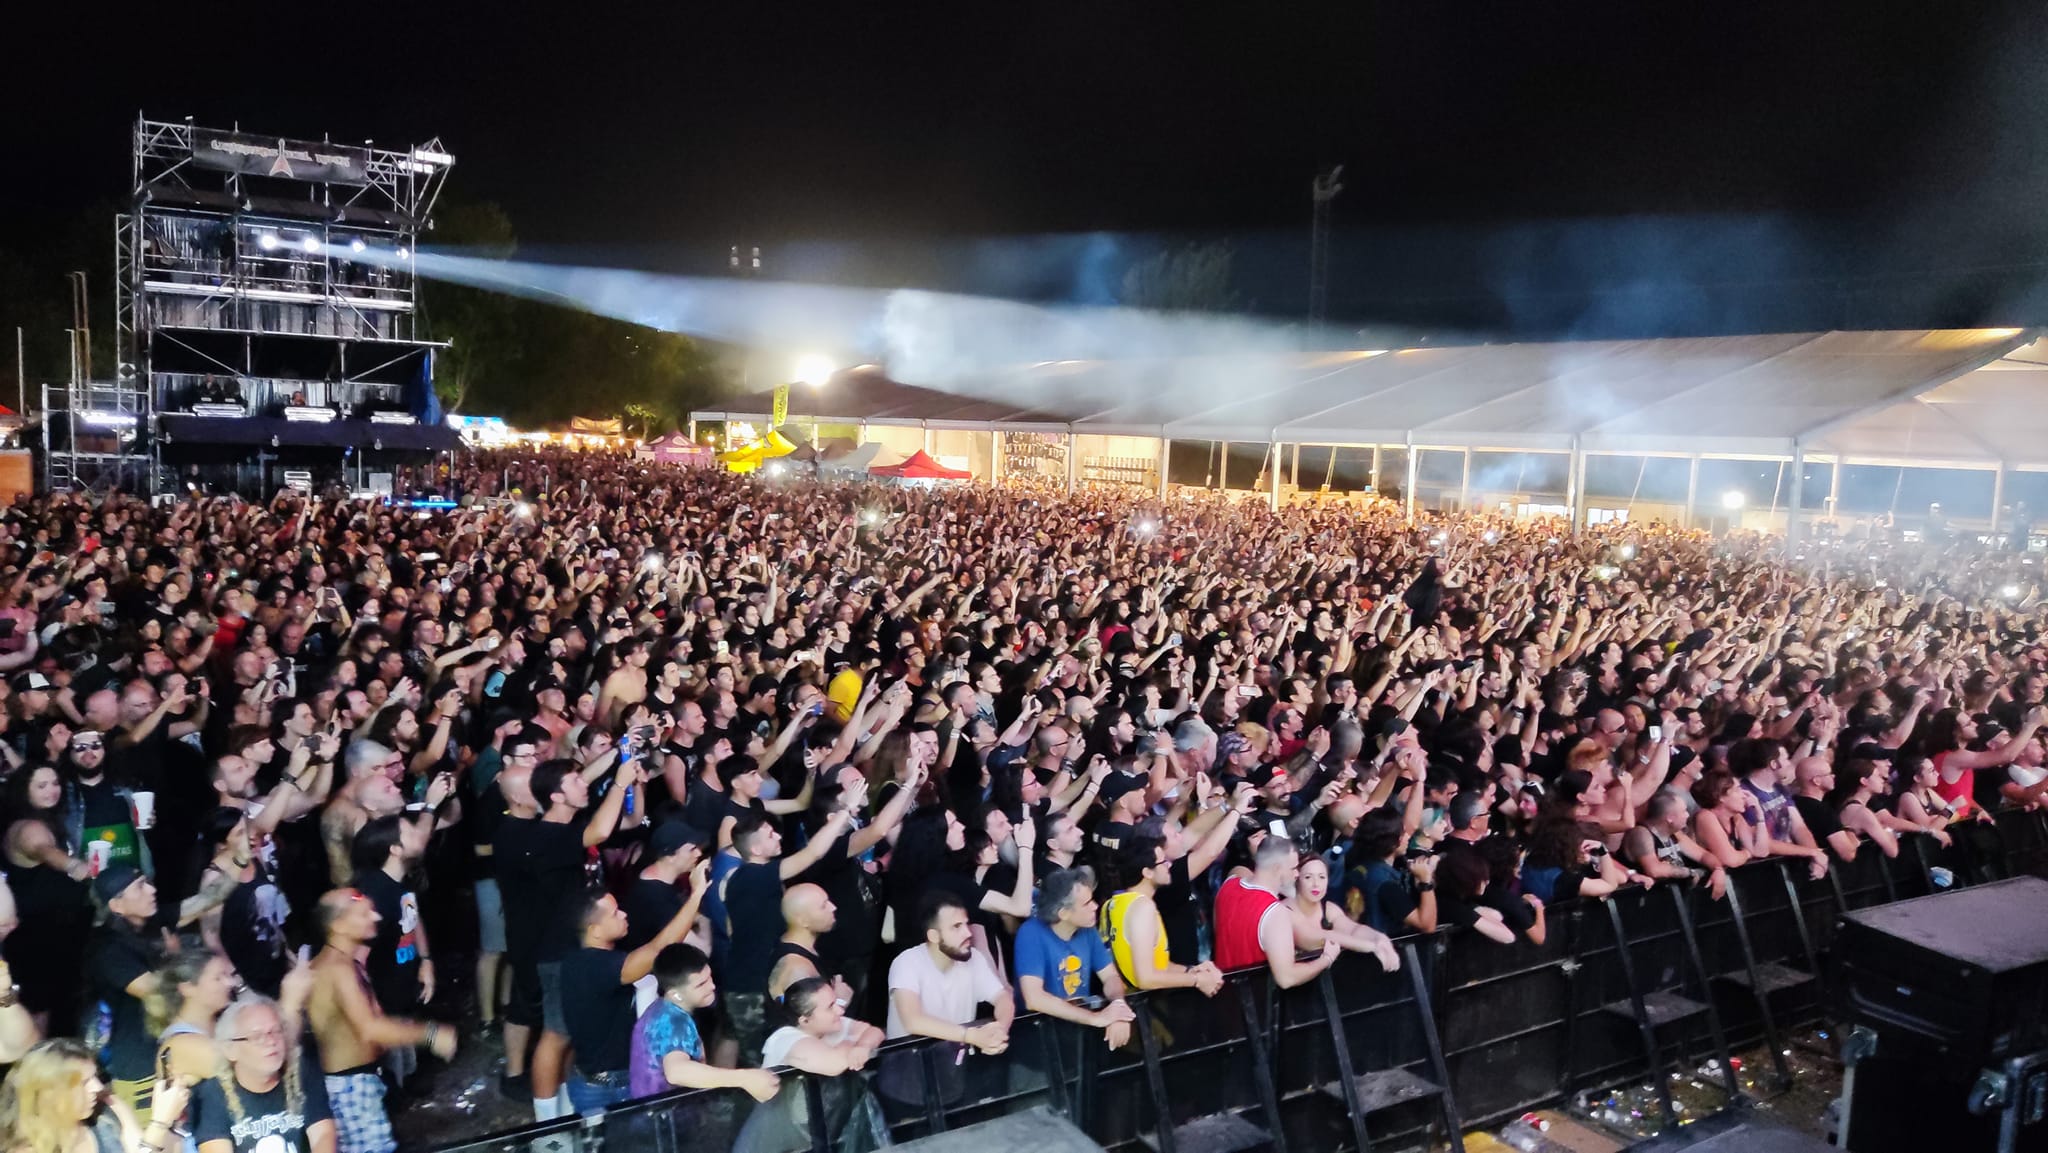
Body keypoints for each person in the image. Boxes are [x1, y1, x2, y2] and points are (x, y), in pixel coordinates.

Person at [304, 890, 456, 1153]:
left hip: (357, 1082)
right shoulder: (337, 969)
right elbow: (370, 1029)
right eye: (364, 914)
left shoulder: (344, 961)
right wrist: (430, 1034)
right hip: (350, 1090)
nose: (375, 916)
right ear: (338, 925)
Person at [556, 862, 708, 1116]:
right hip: (607, 1089)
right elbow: (658, 950)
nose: (624, 914)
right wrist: (697, 895)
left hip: (599, 1079)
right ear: (594, 930)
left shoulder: (582, 961)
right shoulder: (594, 966)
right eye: (615, 914)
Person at [627, 944, 778, 1102]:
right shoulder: (674, 1022)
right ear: (675, 994)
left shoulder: (660, 1010)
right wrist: (744, 1078)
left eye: (709, 978)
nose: (712, 987)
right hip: (667, 1120)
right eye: (701, 984)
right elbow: (677, 1071)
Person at [345, 816, 433, 1087]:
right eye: (409, 831)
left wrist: (426, 962)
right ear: (394, 849)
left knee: (405, 1052)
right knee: (390, 1066)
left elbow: (413, 919)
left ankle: (408, 1080)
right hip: (384, 996)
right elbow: (355, 959)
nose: (419, 833)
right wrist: (370, 1005)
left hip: (402, 985)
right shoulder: (374, 896)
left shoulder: (401, 881)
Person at [191, 996, 335, 1153]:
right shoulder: (213, 1094)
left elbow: (323, 1135)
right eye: (257, 1036)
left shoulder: (301, 1074)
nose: (271, 1041)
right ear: (230, 1049)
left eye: (275, 1031)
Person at [1010, 867, 1135, 1049]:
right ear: (1063, 913)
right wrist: (1096, 1018)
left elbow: (1110, 977)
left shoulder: (1087, 929)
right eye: (1087, 903)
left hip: (1076, 1036)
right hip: (1037, 1044)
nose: (1095, 906)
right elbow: (1034, 998)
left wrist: (1118, 1008)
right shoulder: (1030, 934)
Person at [0, 1038, 188, 1153]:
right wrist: (158, 1124)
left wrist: (170, 1121)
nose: (97, 1087)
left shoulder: (107, 1112)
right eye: (83, 1083)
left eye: (95, 1077)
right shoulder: (25, 1150)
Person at [85, 866, 166, 1124]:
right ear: (117, 905)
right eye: (141, 886)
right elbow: (158, 994)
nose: (152, 890)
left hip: (161, 1053)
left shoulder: (145, 929)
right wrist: (176, 959)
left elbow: (200, 902)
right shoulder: (110, 950)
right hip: (137, 1065)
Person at [1098, 837, 1224, 995]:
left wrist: (1192, 970)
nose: (1169, 865)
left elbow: (1157, 964)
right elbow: (1145, 978)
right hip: (1142, 1007)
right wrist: (1197, 981)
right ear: (1147, 872)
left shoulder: (1111, 904)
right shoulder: (1143, 907)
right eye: (1163, 862)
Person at [1214, 836, 1340, 989]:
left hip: (1222, 995)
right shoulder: (1275, 912)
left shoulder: (1229, 885)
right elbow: (1287, 978)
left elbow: (1239, 871)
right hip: (1255, 1003)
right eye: (1293, 868)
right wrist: (1326, 958)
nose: (1296, 874)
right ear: (1276, 868)